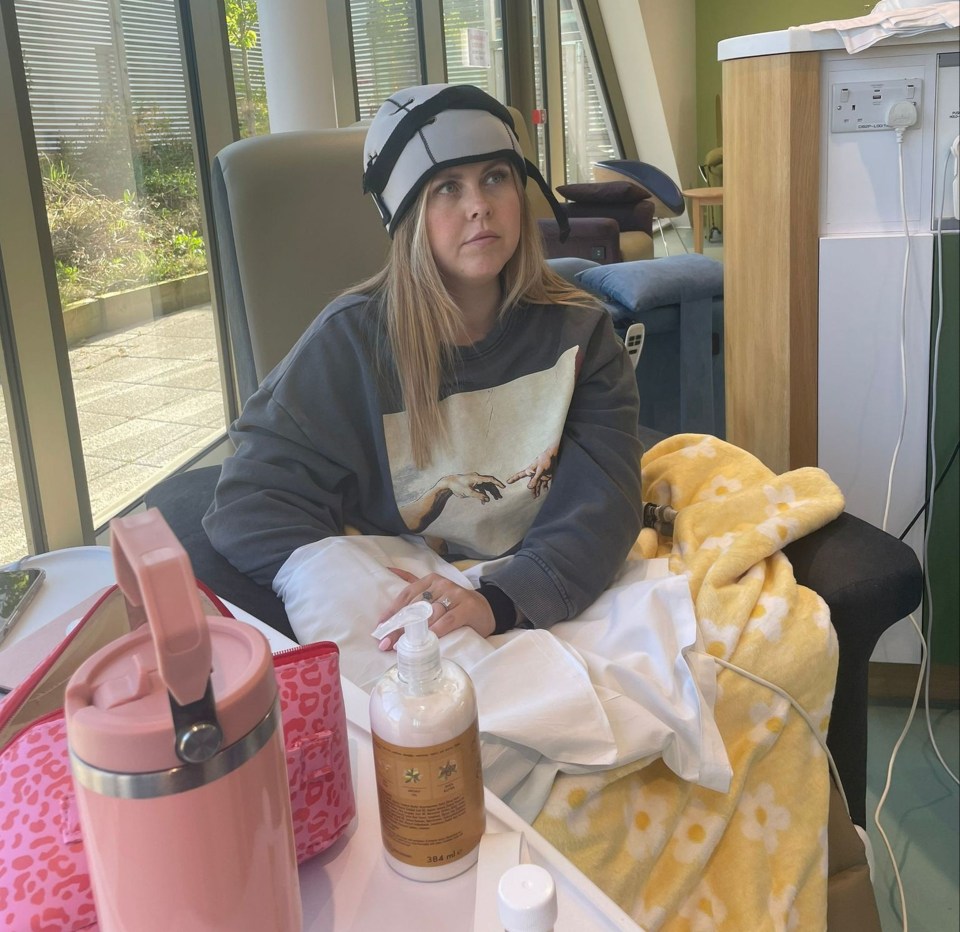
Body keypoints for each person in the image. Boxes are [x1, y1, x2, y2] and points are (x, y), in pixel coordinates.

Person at [203, 83, 643, 647]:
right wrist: (365, 595)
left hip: (546, 592)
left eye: (495, 177)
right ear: (408, 216)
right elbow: (250, 500)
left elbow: (605, 500)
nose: (478, 205)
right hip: (414, 620)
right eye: (446, 188)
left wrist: (502, 602)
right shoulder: (349, 345)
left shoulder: (582, 329)